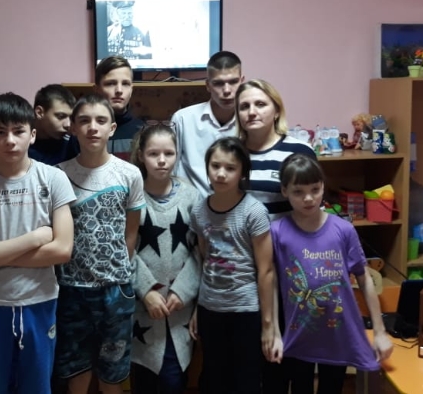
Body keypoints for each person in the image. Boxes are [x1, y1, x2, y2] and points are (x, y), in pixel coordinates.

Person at [0, 92, 76, 394]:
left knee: (37, 387)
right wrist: (35, 238)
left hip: (40, 301)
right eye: (0, 132)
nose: (10, 140)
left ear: (32, 135)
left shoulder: (54, 179)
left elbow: (62, 250)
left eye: (18, 131)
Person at [268, 153, 393, 394]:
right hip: (299, 336)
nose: (308, 198)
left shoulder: (344, 230)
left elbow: (364, 278)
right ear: (284, 191)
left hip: (338, 334)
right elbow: (271, 284)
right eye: (298, 192)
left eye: (315, 189)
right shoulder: (277, 233)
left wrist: (380, 331)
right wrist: (273, 332)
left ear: (323, 186)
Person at [54, 94, 146, 394]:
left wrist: (117, 274)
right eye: (84, 121)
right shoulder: (58, 174)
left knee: (113, 373)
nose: (93, 127)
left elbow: (131, 233)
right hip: (71, 289)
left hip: (115, 291)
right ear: (73, 127)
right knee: (76, 371)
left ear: (112, 128)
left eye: (101, 120)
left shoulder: (129, 174)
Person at [188, 137, 276, 394]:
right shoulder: (199, 210)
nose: (221, 173)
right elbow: (204, 261)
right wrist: (197, 309)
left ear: (242, 173)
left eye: (230, 168)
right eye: (215, 166)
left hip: (245, 310)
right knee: (213, 378)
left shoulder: (254, 211)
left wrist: (268, 324)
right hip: (210, 308)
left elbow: (266, 271)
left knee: (245, 380)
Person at [129, 121, 200, 394]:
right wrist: (146, 291)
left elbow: (200, 252)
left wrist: (183, 290)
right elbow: (124, 249)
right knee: (144, 380)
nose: (161, 160)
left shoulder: (192, 197)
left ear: (177, 155)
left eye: (168, 153)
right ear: (141, 155)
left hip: (179, 311)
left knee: (174, 380)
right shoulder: (130, 197)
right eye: (153, 154)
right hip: (141, 312)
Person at [235, 79, 316, 221]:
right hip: (239, 235)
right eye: (244, 106)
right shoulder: (231, 152)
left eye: (260, 104)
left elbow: (313, 206)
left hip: (286, 234)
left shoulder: (300, 151)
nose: (251, 112)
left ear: (277, 111)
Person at [171, 51, 244, 197]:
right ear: (208, 85)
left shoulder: (248, 121)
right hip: (190, 206)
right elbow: (171, 168)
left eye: (233, 82)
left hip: (236, 205)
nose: (227, 90)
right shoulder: (183, 119)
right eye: (218, 83)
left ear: (242, 82)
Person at [95, 56, 144, 161]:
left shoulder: (142, 132)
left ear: (131, 90)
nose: (119, 90)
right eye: (111, 83)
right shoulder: (86, 132)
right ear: (97, 89)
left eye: (125, 84)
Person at [29, 83, 79, 165]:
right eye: (61, 116)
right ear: (39, 112)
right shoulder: (20, 141)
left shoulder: (73, 142)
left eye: (71, 117)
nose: (68, 124)